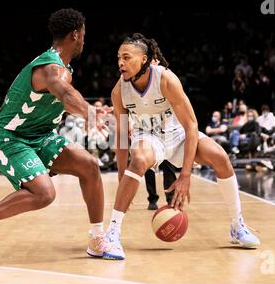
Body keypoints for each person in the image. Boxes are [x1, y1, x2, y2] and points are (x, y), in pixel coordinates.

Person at [0, 8, 111, 262]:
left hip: (41, 136)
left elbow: (67, 99)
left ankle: (97, 239)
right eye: (83, 34)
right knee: (44, 193)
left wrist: (92, 111)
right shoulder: (51, 67)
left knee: (89, 165)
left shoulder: (63, 68)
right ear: (75, 35)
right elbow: (65, 93)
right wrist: (90, 113)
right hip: (11, 138)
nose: (84, 39)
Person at [104, 33, 260, 260]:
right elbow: (120, 135)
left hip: (177, 135)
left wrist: (185, 175)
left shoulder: (166, 79)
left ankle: (237, 226)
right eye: (119, 58)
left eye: (126, 57)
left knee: (220, 157)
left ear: (144, 59)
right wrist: (121, 177)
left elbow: (191, 125)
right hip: (148, 137)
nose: (120, 63)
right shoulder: (119, 91)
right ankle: (112, 234)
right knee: (138, 160)